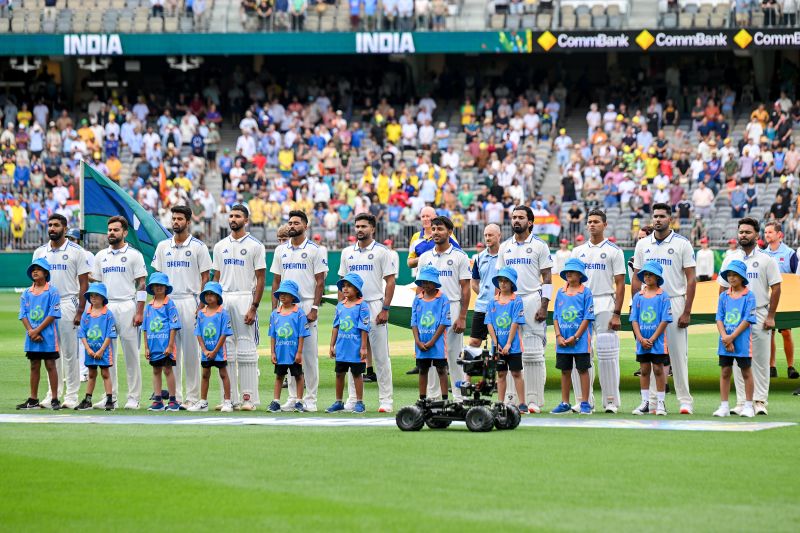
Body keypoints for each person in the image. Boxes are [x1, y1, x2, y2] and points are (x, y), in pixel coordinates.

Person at [632, 203, 697, 414]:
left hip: (675, 300)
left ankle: (685, 400)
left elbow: (691, 278)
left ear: (671, 219)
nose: (658, 219)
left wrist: (687, 310)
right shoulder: (643, 244)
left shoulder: (682, 244)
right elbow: (636, 276)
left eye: (662, 216)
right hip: (648, 303)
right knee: (651, 355)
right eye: (655, 216)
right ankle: (652, 401)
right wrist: (636, 303)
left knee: (678, 354)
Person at [718, 218, 782, 415]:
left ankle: (760, 401)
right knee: (737, 359)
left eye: (747, 232)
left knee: (761, 360)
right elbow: (722, 287)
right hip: (734, 318)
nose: (743, 235)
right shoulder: (730, 258)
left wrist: (771, 316)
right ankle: (741, 402)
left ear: (756, 235)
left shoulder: (766, 259)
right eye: (741, 232)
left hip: (760, 313)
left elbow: (776, 287)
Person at [151, 205, 212, 408]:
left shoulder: (198, 247)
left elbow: (206, 277)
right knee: (168, 351)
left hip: (189, 300)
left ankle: (192, 397)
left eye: (179, 219)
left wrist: (201, 304)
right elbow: (157, 276)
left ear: (188, 221)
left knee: (191, 351)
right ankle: (173, 398)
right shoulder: (162, 247)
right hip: (167, 301)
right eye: (173, 218)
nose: (176, 222)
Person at [338, 213, 397, 412]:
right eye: (357, 226)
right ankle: (353, 399)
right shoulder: (347, 252)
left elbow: (390, 281)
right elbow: (342, 283)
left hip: (374, 305)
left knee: (380, 356)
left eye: (364, 226)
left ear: (372, 228)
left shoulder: (382, 252)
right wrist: (341, 308)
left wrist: (385, 308)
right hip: (351, 308)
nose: (360, 230)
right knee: (352, 356)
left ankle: (386, 401)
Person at [269, 210, 327, 412]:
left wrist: (314, 307)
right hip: (284, 307)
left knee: (308, 355)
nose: (292, 226)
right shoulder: (280, 251)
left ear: (305, 226)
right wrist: (275, 309)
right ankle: (293, 397)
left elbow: (320, 281)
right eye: (290, 223)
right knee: (288, 354)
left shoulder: (315, 250)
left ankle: (310, 399)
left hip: (305, 304)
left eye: (296, 223)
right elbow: (276, 281)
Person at [496, 206, 552, 413]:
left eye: (521, 217)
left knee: (534, 352)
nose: (516, 220)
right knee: (508, 349)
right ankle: (511, 399)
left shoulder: (539, 245)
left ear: (530, 222)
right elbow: (500, 278)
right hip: (509, 301)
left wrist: (544, 305)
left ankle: (534, 400)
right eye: (514, 217)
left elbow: (547, 277)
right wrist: (498, 303)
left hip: (531, 299)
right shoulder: (504, 247)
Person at [570, 209, 625, 413]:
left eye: (596, 222)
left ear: (605, 225)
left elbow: (620, 284)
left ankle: (611, 401)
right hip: (581, 302)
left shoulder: (614, 251)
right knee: (580, 351)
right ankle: (583, 400)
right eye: (589, 221)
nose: (592, 225)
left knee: (607, 352)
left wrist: (617, 312)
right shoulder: (577, 252)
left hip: (604, 301)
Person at [32, 214, 90, 409]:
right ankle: (52, 395)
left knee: (69, 353)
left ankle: (72, 395)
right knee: (50, 352)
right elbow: (36, 284)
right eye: (50, 225)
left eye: (56, 225)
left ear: (65, 229)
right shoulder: (40, 252)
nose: (52, 228)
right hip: (46, 306)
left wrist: (80, 310)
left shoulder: (76, 251)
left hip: (67, 303)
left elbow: (84, 283)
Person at [212, 204, 266, 410]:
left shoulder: (255, 245)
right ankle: (229, 398)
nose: (233, 219)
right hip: (224, 298)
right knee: (226, 350)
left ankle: (248, 399)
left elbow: (261, 279)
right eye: (231, 215)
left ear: (246, 220)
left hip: (245, 297)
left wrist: (254, 306)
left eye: (237, 216)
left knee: (246, 349)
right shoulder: (219, 246)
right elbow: (216, 278)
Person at [91, 216, 147, 410]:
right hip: (107, 308)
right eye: (110, 230)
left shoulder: (134, 255)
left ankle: (133, 397)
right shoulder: (100, 256)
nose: (111, 233)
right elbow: (97, 284)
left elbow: (141, 284)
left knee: (131, 354)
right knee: (107, 355)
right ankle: (110, 397)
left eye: (116, 230)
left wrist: (139, 311)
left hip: (127, 306)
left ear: (124, 232)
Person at [418, 216, 471, 401]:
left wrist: (462, 316)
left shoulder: (460, 257)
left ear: (449, 232)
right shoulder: (425, 257)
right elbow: (420, 287)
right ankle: (433, 396)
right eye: (433, 229)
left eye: (439, 229)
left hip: (452, 307)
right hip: (428, 311)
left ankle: (458, 395)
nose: (435, 233)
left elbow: (465, 287)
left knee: (454, 353)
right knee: (430, 352)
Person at [16, 259, 62, 410]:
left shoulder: (52, 291)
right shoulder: (26, 293)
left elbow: (53, 313)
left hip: (48, 335)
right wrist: (31, 331)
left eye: (39, 269)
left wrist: (37, 330)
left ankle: (54, 398)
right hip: (32, 337)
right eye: (33, 269)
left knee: (50, 365)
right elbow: (23, 314)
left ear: (46, 273)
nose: (35, 271)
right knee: (34, 365)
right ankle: (33, 399)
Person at [714, 260, 757, 418]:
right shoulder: (723, 296)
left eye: (735, 275)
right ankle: (724, 406)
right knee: (725, 371)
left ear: (742, 277)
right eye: (729, 275)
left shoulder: (749, 296)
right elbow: (719, 317)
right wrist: (725, 337)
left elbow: (747, 320)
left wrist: (731, 337)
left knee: (746, 371)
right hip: (724, 341)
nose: (731, 278)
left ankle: (748, 405)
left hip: (742, 341)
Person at [551, 259, 594, 415]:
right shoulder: (560, 292)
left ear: (580, 274)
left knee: (583, 370)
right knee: (565, 370)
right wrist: (558, 336)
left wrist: (575, 337)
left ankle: (585, 403)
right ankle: (565, 402)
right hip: (562, 340)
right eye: (567, 271)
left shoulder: (586, 292)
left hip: (580, 341)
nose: (568, 274)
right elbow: (555, 316)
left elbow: (587, 317)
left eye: (573, 271)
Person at [630, 260, 672, 416]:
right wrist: (640, 338)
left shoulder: (663, 296)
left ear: (657, 277)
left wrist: (653, 339)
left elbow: (664, 320)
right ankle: (645, 402)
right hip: (642, 341)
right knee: (644, 370)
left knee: (658, 369)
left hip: (658, 342)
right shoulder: (638, 297)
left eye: (650, 275)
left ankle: (660, 403)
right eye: (645, 274)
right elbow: (634, 319)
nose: (647, 277)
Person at [485, 266, 527, 413]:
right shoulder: (492, 302)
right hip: (497, 346)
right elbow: (489, 322)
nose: (503, 284)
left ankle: (522, 403)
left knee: (516, 373)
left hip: (513, 346)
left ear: (512, 283)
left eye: (506, 281)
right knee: (501, 374)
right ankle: (500, 404)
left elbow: (515, 322)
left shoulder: (517, 301)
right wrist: (496, 344)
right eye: (501, 281)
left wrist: (508, 343)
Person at [761, 221, 800, 379]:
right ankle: (772, 366)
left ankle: (790, 366)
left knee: (785, 332)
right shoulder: (763, 254)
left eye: (770, 232)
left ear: (779, 235)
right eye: (765, 232)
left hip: (785, 299)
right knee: (769, 333)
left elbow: (796, 277)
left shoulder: (790, 253)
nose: (767, 235)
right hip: (767, 299)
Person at [326, 273, 370, 414]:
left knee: (357, 375)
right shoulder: (340, 305)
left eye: (349, 286)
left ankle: (359, 402)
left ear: (357, 289)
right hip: (342, 348)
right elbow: (336, 326)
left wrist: (363, 347)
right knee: (339, 374)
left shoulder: (362, 306)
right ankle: (338, 402)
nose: (345, 289)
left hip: (356, 348)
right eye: (344, 286)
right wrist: (332, 345)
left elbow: (364, 328)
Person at [189, 281, 234, 412]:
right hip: (205, 352)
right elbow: (198, 333)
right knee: (205, 375)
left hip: (219, 352)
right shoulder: (201, 314)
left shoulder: (223, 313)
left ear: (218, 297)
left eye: (212, 294)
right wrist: (204, 350)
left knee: (223, 374)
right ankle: (203, 402)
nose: (209, 297)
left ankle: (227, 402)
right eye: (207, 294)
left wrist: (214, 350)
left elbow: (224, 333)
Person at [267, 280, 310, 413]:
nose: (283, 296)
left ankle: (299, 401)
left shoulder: (299, 313)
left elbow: (301, 334)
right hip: (280, 352)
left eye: (286, 294)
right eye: (281, 293)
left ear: (293, 297)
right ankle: (276, 402)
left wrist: (299, 352)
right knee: (279, 376)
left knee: (298, 376)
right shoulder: (275, 314)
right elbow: (273, 335)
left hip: (293, 353)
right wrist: (272, 352)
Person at [142, 272, 182, 412]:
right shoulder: (148, 306)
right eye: (155, 285)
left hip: (166, 346)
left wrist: (170, 345)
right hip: (153, 346)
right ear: (152, 288)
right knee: (156, 370)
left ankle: (172, 400)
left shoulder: (169, 304)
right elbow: (145, 328)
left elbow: (174, 326)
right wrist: (146, 347)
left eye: (161, 285)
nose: (158, 288)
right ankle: (158, 400)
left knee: (167, 370)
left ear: (166, 287)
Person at [411, 266, 451, 403]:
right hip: (421, 342)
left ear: (435, 282)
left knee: (441, 369)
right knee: (422, 370)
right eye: (423, 282)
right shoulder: (417, 299)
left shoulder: (443, 298)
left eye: (428, 281)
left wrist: (433, 341)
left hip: (438, 343)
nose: (426, 285)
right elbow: (414, 322)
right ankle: (422, 399)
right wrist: (417, 341)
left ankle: (445, 399)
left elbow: (444, 322)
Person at [74, 282, 116, 411]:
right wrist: (88, 349)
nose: (93, 298)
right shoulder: (86, 314)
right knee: (91, 374)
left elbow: (110, 333)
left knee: (105, 373)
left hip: (104, 351)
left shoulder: (108, 314)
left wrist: (102, 350)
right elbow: (82, 333)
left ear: (103, 297)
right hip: (90, 352)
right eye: (91, 295)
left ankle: (109, 400)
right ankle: (87, 400)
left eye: (96, 295)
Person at [467, 223, 502, 352]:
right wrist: (484, 294)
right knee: (474, 341)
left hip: (502, 306)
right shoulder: (479, 257)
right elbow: (474, 282)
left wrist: (500, 299)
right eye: (485, 235)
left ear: (499, 236)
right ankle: (468, 372)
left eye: (491, 235)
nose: (487, 238)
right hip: (482, 306)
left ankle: (498, 371)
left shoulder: (506, 255)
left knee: (498, 342)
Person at [67, 227, 94, 382]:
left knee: (82, 335)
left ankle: (83, 371)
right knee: (71, 336)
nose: (71, 241)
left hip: (85, 298)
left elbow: (92, 276)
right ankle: (73, 371)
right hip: (71, 298)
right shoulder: (68, 255)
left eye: (73, 239)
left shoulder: (87, 255)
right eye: (69, 238)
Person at [407, 205, 459, 271]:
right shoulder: (415, 237)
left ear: (435, 217)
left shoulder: (447, 234)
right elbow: (409, 263)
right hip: (422, 278)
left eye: (428, 216)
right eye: (423, 216)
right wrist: (423, 258)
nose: (425, 219)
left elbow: (459, 254)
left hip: (444, 277)